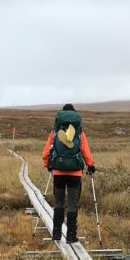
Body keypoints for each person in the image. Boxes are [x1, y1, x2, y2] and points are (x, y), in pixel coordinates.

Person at [41, 103, 95, 243]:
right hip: (75, 173)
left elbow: (46, 151)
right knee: (72, 204)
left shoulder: (55, 132)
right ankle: (71, 236)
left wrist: (48, 165)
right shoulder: (79, 132)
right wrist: (91, 165)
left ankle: (57, 234)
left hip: (58, 172)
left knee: (59, 203)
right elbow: (85, 151)